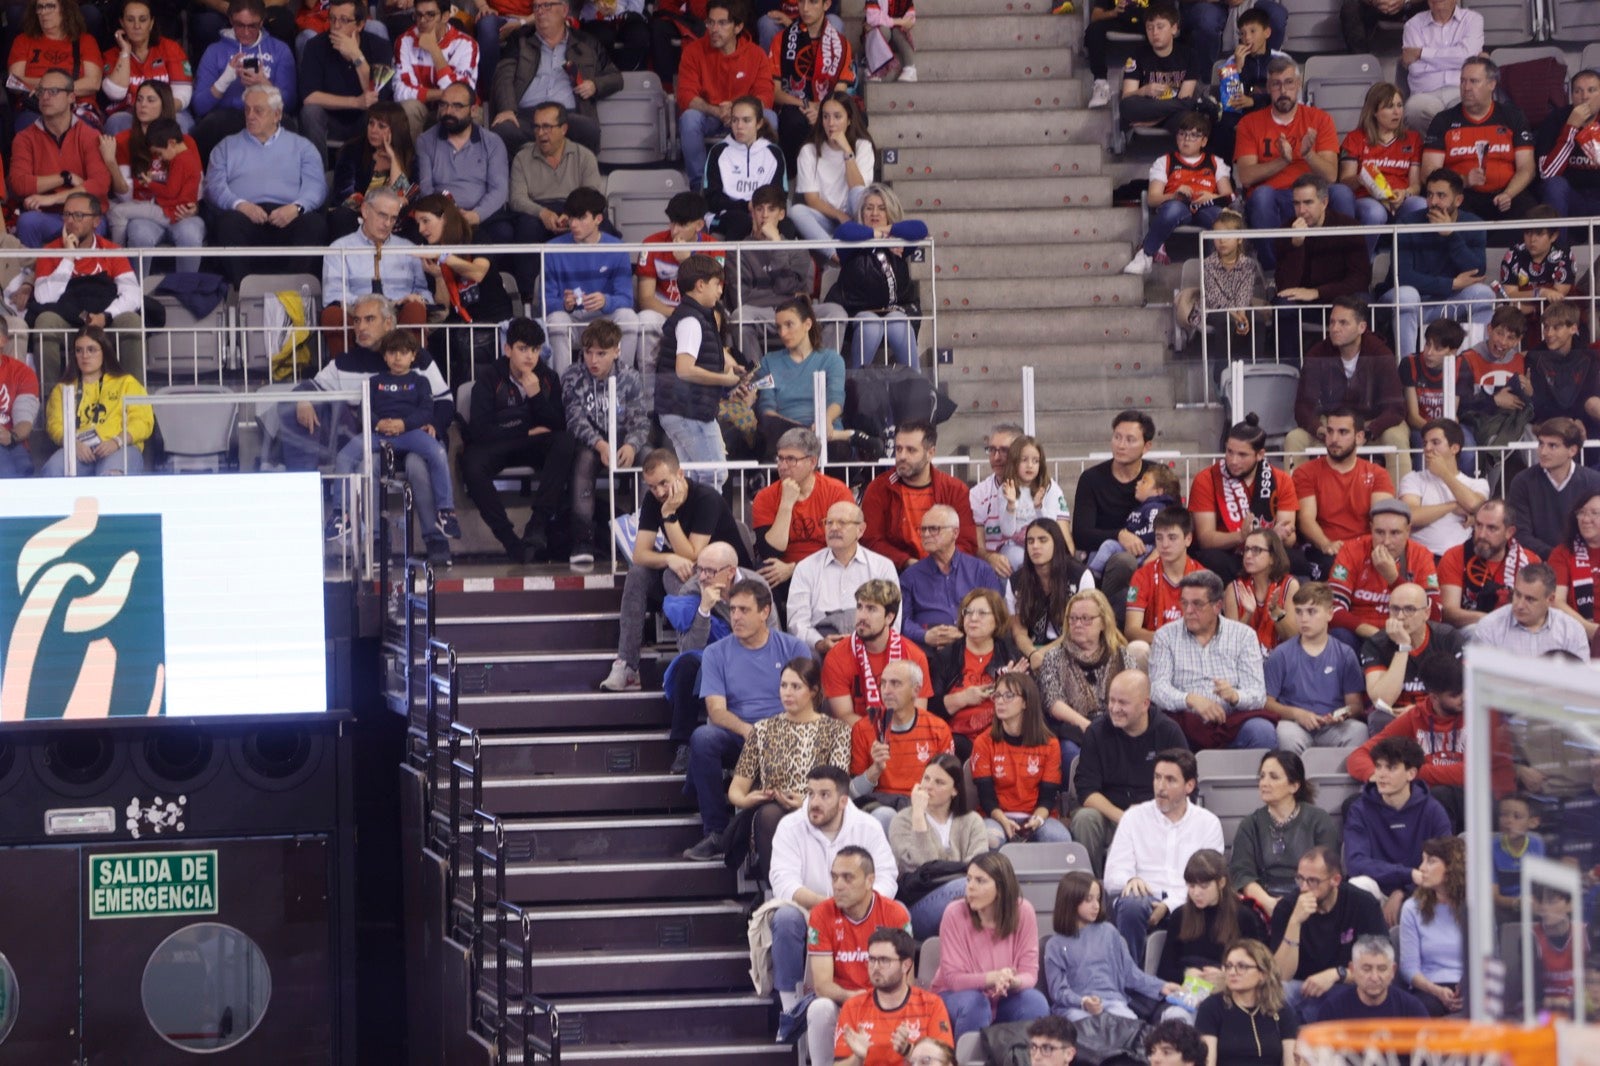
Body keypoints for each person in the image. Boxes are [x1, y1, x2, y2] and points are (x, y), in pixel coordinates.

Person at [600, 447, 754, 692]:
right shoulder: (653, 500)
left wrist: (670, 516)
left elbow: (694, 554)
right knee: (638, 574)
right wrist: (669, 557)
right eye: (651, 486)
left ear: (680, 474)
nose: (659, 492)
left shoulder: (706, 498)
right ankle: (627, 665)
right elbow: (640, 554)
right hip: (691, 577)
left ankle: (692, 656)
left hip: (727, 583)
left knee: (675, 573)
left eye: (663, 483)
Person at [680, 578, 812, 862]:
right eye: (733, 609)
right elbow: (716, 711)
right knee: (703, 738)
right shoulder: (717, 652)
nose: (736, 617)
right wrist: (748, 730)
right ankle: (715, 832)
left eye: (744, 610)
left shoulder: (793, 648)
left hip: (786, 736)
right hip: (738, 734)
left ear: (765, 612)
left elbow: (808, 703)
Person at [767, 765, 898, 1025]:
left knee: (895, 912)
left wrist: (860, 903)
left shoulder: (867, 826)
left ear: (843, 801)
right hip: (808, 909)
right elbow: (783, 883)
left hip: (861, 908)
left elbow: (886, 877)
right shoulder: (789, 826)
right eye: (810, 793)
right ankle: (792, 1011)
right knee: (784, 919)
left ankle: (884, 1001)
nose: (814, 802)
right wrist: (831, 905)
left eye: (824, 795)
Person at [459, 317, 580, 563]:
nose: (529, 356)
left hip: (531, 445)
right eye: (523, 348)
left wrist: (536, 395)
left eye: (535, 349)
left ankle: (538, 524)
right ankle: (510, 541)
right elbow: (480, 430)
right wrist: (524, 429)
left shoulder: (547, 378)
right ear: (508, 349)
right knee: (471, 462)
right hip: (499, 445)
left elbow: (558, 424)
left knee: (566, 442)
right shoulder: (489, 377)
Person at [328, 328, 461, 545]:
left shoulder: (420, 382)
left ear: (413, 356)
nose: (397, 358)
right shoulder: (373, 382)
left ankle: (446, 512)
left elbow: (427, 410)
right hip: (379, 433)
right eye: (392, 353)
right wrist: (378, 423)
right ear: (385, 356)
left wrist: (403, 424)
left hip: (410, 433)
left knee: (437, 451)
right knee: (344, 456)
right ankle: (341, 515)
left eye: (403, 352)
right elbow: (365, 408)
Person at [9, 190, 143, 402]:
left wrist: (105, 317)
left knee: (132, 321)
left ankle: (136, 404)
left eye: (78, 216)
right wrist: (68, 257)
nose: (71, 221)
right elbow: (44, 298)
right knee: (45, 321)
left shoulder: (111, 250)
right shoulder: (50, 251)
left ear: (96, 221)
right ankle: (52, 405)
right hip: (69, 324)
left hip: (103, 323)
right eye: (67, 215)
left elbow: (133, 294)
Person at [1104, 748, 1224, 966]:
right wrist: (1130, 880)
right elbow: (1112, 877)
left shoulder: (1208, 824)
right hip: (1144, 899)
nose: (1160, 787)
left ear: (1189, 786)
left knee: (1204, 905)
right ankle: (1130, 980)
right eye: (1157, 778)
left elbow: (1209, 880)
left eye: (1170, 780)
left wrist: (1169, 905)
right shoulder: (1134, 817)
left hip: (1188, 900)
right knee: (1131, 906)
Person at [201, 83, 328, 285]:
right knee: (227, 224)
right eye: (247, 109)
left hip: (288, 215)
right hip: (244, 215)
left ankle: (291, 291)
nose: (250, 116)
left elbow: (317, 187)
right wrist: (240, 204)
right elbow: (213, 187)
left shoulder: (303, 147)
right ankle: (243, 289)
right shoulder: (226, 146)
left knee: (314, 224)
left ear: (277, 115)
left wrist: (296, 208)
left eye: (258, 111)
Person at [796, 845, 913, 1064]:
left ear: (870, 881)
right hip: (840, 1002)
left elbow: (907, 980)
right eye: (834, 877)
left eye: (847, 878)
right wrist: (857, 999)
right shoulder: (821, 914)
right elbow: (822, 985)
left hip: (885, 1002)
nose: (837, 885)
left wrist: (875, 1002)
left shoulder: (894, 914)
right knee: (819, 1009)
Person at [1069, 669, 1189, 877]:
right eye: (1111, 701)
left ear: (1145, 704)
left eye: (1123, 703)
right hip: (1111, 814)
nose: (1114, 709)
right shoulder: (1097, 732)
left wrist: (1150, 814)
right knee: (1085, 819)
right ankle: (1091, 887)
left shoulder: (1168, 732)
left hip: (1157, 814)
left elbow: (1184, 787)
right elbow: (1087, 791)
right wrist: (1126, 818)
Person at [1231, 58, 1345, 269]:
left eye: (1289, 82)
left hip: (1313, 193)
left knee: (1341, 193)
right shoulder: (1250, 123)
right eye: (1276, 84)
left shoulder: (1320, 119)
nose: (1283, 90)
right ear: (1268, 88)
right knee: (1261, 196)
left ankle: (1338, 266)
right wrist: (1283, 160)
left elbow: (1330, 175)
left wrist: (1309, 154)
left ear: (1298, 84)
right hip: (1273, 196)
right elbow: (1246, 177)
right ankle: (1276, 272)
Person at [1285, 303, 1409, 485]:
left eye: (1343, 323)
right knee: (1294, 438)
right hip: (1332, 423)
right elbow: (1303, 406)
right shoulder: (1318, 353)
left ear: (1362, 327)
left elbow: (1395, 409)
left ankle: (1400, 506)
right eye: (1332, 322)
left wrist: (1369, 430)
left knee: (1396, 438)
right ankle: (1293, 506)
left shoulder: (1380, 353)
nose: (1335, 328)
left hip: (1374, 422)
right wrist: (1320, 430)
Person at [931, 851, 1050, 1040]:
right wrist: (994, 978)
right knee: (975, 1003)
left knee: (1035, 1002)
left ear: (1001, 888)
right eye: (969, 879)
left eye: (980, 881)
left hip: (1003, 996)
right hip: (957, 997)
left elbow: (1030, 972)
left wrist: (1012, 981)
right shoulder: (954, 913)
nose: (970, 887)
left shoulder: (1023, 911)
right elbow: (954, 980)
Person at [1149, 571, 1273, 752]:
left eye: (1197, 604)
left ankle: (1258, 781)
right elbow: (1157, 689)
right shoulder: (1165, 636)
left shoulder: (1244, 636)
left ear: (1217, 606)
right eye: (1184, 603)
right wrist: (1189, 699)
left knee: (1262, 732)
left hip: (1231, 720)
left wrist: (1234, 696)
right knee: (1162, 728)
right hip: (1185, 720)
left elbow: (1257, 694)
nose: (1189, 611)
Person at [559, 318, 648, 571]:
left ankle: (643, 535)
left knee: (649, 459)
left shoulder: (630, 377)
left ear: (617, 351)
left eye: (601, 353)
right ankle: (582, 539)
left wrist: (631, 445)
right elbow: (574, 419)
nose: (593, 360)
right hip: (590, 443)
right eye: (588, 352)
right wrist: (599, 444)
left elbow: (640, 419)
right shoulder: (572, 376)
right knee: (584, 462)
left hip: (622, 441)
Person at [652, 253, 744, 491]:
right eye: (717, 284)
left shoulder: (693, 317)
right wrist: (724, 379)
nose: (720, 291)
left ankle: (692, 525)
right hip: (688, 410)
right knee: (714, 476)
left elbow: (700, 360)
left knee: (692, 478)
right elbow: (684, 369)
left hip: (683, 408)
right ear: (700, 285)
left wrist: (730, 370)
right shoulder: (692, 321)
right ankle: (705, 527)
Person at [1267, 846, 1388, 1024]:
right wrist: (1295, 922)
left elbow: (1382, 967)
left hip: (1347, 986)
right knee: (1276, 994)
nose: (1304, 888)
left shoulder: (1362, 904)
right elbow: (1280, 977)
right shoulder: (1287, 907)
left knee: (1365, 994)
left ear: (1335, 880)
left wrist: (1337, 974)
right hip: (1301, 988)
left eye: (1313, 881)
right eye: (1300, 879)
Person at [1383, 168, 1494, 357]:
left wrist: (1451, 235)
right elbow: (1402, 276)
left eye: (1441, 196)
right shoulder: (1407, 223)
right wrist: (1451, 284)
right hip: (1408, 301)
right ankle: (1407, 369)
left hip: (1446, 302)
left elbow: (1477, 272)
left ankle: (1471, 364)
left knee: (1484, 294)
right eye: (1429, 195)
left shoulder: (1474, 223)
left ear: (1458, 200)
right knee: (1407, 295)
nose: (1433, 202)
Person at [487, 0, 621, 157]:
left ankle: (579, 181)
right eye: (536, 7)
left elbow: (616, 77)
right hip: (527, 117)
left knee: (588, 130)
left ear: (564, 11)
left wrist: (595, 85)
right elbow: (504, 75)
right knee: (503, 131)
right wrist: (507, 108)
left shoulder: (587, 42)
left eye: (547, 5)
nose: (540, 11)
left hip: (567, 117)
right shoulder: (520, 40)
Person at [1346, 677, 1468, 846]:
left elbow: (1477, 772)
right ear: (1434, 697)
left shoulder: (1480, 715)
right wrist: (1373, 774)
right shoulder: (1415, 717)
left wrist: (1412, 773)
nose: (1465, 698)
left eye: (1466, 691)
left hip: (1467, 795)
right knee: (1354, 803)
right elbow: (1359, 755)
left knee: (1440, 796)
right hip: (1418, 791)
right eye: (1455, 695)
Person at [1045, 869, 1179, 1022]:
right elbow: (1058, 991)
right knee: (1087, 1031)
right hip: (1074, 1009)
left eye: (1098, 898)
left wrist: (1162, 987)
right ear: (1070, 901)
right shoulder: (1055, 945)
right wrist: (1082, 1002)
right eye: (1089, 900)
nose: (1096, 905)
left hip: (1114, 1003)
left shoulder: (1109, 932)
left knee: (1130, 1027)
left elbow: (1131, 974)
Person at [1419, 57, 1537, 222]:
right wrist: (1464, 180)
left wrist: (1508, 194)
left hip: (1507, 195)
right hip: (1463, 197)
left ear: (1492, 84)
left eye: (1474, 81)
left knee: (1536, 218)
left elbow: (1527, 168)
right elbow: (1428, 174)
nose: (1466, 88)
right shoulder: (1443, 121)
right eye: (1462, 81)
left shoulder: (1513, 116)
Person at [540, 186, 642, 377]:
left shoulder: (617, 248)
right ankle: (564, 389)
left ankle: (622, 382)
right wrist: (564, 304)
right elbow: (545, 303)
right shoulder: (551, 249)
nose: (574, 224)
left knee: (629, 317)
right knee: (556, 320)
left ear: (598, 219)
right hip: (572, 320)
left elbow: (626, 298)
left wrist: (606, 301)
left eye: (581, 218)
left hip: (605, 319)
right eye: (571, 218)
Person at [412, 192, 517, 374]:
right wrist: (438, 276)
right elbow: (443, 307)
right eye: (418, 223)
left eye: (425, 221)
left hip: (491, 320)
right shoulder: (430, 252)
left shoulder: (475, 235)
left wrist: (444, 257)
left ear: (444, 217)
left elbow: (477, 273)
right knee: (435, 341)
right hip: (458, 325)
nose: (421, 229)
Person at [735, 198, 847, 368]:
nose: (764, 215)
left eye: (771, 209)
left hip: (796, 312)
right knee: (740, 316)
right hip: (762, 314)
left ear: (781, 214)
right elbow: (742, 297)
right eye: (759, 209)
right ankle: (757, 378)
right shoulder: (739, 249)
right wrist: (781, 297)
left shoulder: (798, 249)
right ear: (752, 213)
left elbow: (787, 287)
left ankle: (823, 372)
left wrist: (777, 245)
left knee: (836, 312)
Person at [1157, 849, 1268, 1019]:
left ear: (1221, 882)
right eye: (1191, 886)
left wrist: (1228, 979)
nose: (1196, 893)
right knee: (1176, 1016)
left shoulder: (1244, 917)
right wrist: (1186, 974)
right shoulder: (1180, 916)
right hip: (1188, 992)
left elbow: (1262, 969)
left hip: (1230, 993)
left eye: (1204, 886)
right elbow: (1164, 970)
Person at [677, 3, 776, 193]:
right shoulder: (693, 51)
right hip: (710, 114)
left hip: (743, 116)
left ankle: (760, 184)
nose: (714, 29)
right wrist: (715, 110)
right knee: (689, 118)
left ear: (738, 27)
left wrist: (738, 112)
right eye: (710, 23)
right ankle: (700, 187)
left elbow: (766, 96)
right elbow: (685, 95)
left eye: (722, 23)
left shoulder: (756, 55)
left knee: (770, 118)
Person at [9, 67, 112, 249]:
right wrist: (65, 177)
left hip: (82, 215)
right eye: (41, 91)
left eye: (54, 91)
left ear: (71, 97)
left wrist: (53, 198)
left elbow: (100, 184)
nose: (45, 97)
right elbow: (19, 183)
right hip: (44, 215)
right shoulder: (24, 137)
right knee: (27, 222)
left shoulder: (89, 135)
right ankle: (35, 276)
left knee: (92, 222)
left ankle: (85, 277)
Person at [507, 101, 603, 296]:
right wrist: (543, 213)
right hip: (536, 211)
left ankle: (596, 293)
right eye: (537, 127)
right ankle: (528, 299)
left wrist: (571, 215)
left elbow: (592, 195)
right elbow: (516, 199)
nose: (541, 133)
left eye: (547, 127)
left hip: (576, 207)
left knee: (603, 227)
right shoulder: (522, 158)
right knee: (526, 229)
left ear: (564, 129)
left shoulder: (584, 156)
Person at [322, 187, 431, 357]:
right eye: (382, 215)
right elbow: (332, 295)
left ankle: (411, 374)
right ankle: (345, 373)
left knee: (416, 308)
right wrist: (373, 306)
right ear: (365, 210)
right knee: (332, 315)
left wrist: (415, 298)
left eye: (393, 218)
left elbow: (424, 292)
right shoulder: (339, 248)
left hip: (397, 314)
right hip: (357, 315)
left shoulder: (409, 249)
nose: (387, 224)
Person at [1231, 750, 1341, 918]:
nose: (1264, 783)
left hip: (1310, 897)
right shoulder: (1250, 824)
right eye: (1262, 776)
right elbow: (1243, 874)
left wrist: (1299, 905)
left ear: (1294, 786)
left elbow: (1327, 871)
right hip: (1263, 900)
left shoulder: (1319, 820)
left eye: (1273, 777)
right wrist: (1268, 903)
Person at [1038, 589, 1138, 773]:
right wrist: (1087, 726)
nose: (1077, 624)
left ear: (1103, 622)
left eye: (1086, 619)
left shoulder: (1122, 656)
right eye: (1073, 618)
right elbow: (1053, 702)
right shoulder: (1054, 656)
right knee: (1070, 752)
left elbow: (1135, 695)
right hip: (1075, 729)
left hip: (1117, 725)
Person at [889, 753, 988, 938]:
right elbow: (920, 868)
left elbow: (981, 866)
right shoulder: (902, 821)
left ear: (955, 790)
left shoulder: (972, 821)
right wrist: (918, 816)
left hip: (966, 902)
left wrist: (943, 867)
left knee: (987, 886)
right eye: (926, 778)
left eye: (939, 782)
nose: (928, 787)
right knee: (964, 886)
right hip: (918, 905)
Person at [1292, 408, 1397, 582]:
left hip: (1367, 550)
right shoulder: (1306, 472)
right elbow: (1306, 519)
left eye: (1343, 432)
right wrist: (1326, 544)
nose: (1334, 439)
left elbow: (1381, 518)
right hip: (1323, 550)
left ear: (1359, 437)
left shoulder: (1378, 474)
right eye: (1330, 431)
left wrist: (1360, 549)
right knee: (1332, 565)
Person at [1189, 415, 1299, 582]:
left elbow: (1290, 538)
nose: (1233, 460)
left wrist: (1275, 537)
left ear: (1260, 454)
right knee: (1211, 559)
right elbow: (1205, 539)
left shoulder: (1281, 480)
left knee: (1298, 561)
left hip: (1267, 553)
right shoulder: (1206, 479)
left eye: (1242, 455)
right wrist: (1241, 537)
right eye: (1229, 452)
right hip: (1227, 554)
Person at [829, 183, 926, 369]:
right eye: (869, 208)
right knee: (870, 323)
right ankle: (858, 385)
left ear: (890, 212)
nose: (875, 213)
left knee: (897, 322)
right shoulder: (852, 241)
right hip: (856, 311)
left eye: (882, 209)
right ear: (862, 212)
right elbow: (842, 232)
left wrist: (888, 232)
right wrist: (875, 235)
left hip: (895, 309)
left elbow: (920, 228)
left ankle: (917, 383)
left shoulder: (899, 242)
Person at [750, 425, 853, 600]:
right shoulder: (765, 497)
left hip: (827, 568)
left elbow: (844, 547)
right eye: (780, 458)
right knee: (766, 572)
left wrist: (795, 568)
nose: (783, 466)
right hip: (780, 570)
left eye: (791, 459)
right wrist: (786, 504)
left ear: (812, 462)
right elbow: (770, 552)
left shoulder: (836, 492)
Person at [861, 420, 979, 571]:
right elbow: (871, 540)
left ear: (930, 453)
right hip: (897, 572)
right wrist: (906, 562)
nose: (902, 456)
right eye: (898, 449)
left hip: (946, 571)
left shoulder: (954, 489)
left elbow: (967, 541)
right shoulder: (879, 488)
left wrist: (940, 564)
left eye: (911, 450)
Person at [1074, 410, 1158, 622]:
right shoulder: (1092, 479)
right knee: (1123, 562)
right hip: (1105, 558)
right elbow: (1081, 534)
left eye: (1130, 440)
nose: (1121, 445)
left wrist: (1153, 558)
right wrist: (1119, 535)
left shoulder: (1157, 477)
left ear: (1147, 446)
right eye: (1117, 437)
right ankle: (1105, 620)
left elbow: (1175, 526)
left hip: (1151, 555)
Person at [845, 659, 949, 827]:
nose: (886, 691)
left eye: (895, 684)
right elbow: (853, 793)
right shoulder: (864, 728)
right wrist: (876, 769)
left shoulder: (938, 728)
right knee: (884, 816)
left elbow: (948, 784)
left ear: (915, 690)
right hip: (879, 804)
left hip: (923, 804)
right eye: (883, 684)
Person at [787, 501, 900, 655]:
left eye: (842, 523)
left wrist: (869, 644)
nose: (833, 528)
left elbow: (893, 619)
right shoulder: (806, 567)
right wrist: (819, 643)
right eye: (829, 522)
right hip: (820, 646)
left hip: (871, 644)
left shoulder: (882, 566)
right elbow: (797, 622)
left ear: (860, 530)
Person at [190, 0, 298, 162]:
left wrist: (264, 84)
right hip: (225, 117)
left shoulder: (280, 49)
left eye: (252, 26)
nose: (246, 32)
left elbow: (289, 104)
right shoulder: (215, 51)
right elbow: (199, 106)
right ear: (231, 21)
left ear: (262, 22)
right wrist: (225, 80)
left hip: (266, 114)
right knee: (208, 126)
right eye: (240, 25)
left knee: (288, 126)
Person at [1264, 584, 1367, 754]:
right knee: (1284, 734)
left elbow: (1355, 705)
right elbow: (1267, 703)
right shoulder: (1281, 654)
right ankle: (1295, 780)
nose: (1303, 619)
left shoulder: (1345, 653)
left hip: (1333, 726)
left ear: (1329, 613)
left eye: (1311, 612)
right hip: (1294, 725)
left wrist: (1342, 714)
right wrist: (1297, 714)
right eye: (1298, 612)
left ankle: (1340, 781)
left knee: (1358, 731)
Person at [973, 672, 1070, 848]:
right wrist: (1003, 820)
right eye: (997, 695)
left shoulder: (1050, 744)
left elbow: (1048, 798)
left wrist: (1038, 819)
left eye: (1009, 696)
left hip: (1036, 816)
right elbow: (986, 798)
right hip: (997, 816)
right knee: (990, 838)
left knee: (1059, 838)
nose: (1000, 701)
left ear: (1026, 702)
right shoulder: (983, 741)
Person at [1327, 499, 1441, 649]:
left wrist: (1393, 579)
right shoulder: (1351, 550)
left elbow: (1434, 616)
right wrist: (1376, 634)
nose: (1386, 541)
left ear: (1408, 531)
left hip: (1405, 635)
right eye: (1380, 532)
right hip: (1361, 634)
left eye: (1395, 533)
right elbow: (1332, 609)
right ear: (1371, 528)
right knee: (1339, 635)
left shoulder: (1421, 555)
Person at [833, 927, 954, 1066]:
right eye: (871, 959)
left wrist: (909, 1051)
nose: (875, 967)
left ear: (906, 965)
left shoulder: (932, 1005)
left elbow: (946, 1062)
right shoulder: (853, 1007)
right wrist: (858, 1058)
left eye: (884, 960)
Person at [927, 587, 1024, 760]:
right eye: (968, 612)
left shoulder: (1010, 654)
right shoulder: (946, 657)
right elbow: (931, 710)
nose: (973, 618)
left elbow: (1030, 704)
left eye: (982, 613)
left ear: (997, 619)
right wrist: (962, 698)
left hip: (999, 733)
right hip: (958, 739)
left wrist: (1015, 686)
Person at [1269, 174, 1368, 342]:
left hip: (1340, 298)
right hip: (1304, 303)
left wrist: (1317, 292)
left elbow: (1360, 279)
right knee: (1283, 304)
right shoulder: (1286, 229)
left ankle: (1360, 365)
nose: (1301, 210)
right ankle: (1289, 366)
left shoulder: (1347, 226)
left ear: (1324, 203)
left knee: (1364, 301)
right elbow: (1285, 286)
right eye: (1296, 203)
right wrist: (1296, 245)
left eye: (1308, 202)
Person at [41, 325, 150, 476]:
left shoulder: (127, 383)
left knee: (111, 475)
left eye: (91, 349)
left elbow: (142, 422)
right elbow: (55, 425)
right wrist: (73, 444)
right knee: (52, 470)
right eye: (79, 350)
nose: (85, 355)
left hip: (119, 447)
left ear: (104, 352)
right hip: (78, 449)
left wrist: (117, 441)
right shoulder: (62, 388)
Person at [415, 81, 511, 247]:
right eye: (443, 105)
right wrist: (446, 217)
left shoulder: (492, 142)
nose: (448, 112)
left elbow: (499, 189)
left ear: (473, 110)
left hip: (481, 216)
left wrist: (476, 215)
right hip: (440, 216)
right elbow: (426, 188)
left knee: (504, 233)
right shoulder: (426, 140)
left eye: (457, 106)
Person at [824, 579, 933, 724]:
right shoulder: (837, 656)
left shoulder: (914, 656)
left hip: (903, 737)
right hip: (856, 737)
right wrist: (880, 735)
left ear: (889, 617)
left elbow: (918, 715)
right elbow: (844, 716)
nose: (862, 616)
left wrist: (895, 737)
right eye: (859, 607)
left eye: (871, 609)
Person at [103, 117, 203, 272]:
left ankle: (117, 261)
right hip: (170, 208)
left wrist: (149, 183)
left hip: (169, 211)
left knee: (116, 212)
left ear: (171, 143)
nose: (160, 158)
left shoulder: (181, 161)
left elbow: (170, 191)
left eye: (160, 154)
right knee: (117, 211)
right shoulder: (186, 157)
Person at [751, 296, 848, 457]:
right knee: (768, 426)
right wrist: (801, 431)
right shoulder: (769, 361)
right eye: (779, 327)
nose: (782, 333)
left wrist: (825, 420)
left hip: (823, 431)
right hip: (784, 433)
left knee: (834, 447)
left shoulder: (832, 359)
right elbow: (767, 408)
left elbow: (836, 399)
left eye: (789, 325)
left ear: (807, 324)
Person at [900, 505, 1006, 649]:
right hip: (928, 650)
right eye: (923, 529)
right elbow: (901, 620)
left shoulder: (981, 571)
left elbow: (998, 613)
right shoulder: (910, 576)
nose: (926, 534)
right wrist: (925, 635)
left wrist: (967, 634)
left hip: (974, 647)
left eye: (934, 529)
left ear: (955, 533)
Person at [296, 0, 391, 159]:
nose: (336, 26)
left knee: (377, 114)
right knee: (310, 112)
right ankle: (318, 174)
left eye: (344, 20)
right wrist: (355, 102)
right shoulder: (315, 45)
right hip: (330, 118)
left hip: (365, 119)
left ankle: (370, 172)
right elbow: (310, 97)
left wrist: (356, 56)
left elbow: (377, 96)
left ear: (360, 25)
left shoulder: (379, 45)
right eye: (332, 18)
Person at [769, 0, 854, 172]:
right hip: (795, 105)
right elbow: (775, 92)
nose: (805, 8)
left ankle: (844, 175)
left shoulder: (842, 44)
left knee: (856, 118)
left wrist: (822, 110)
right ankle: (792, 180)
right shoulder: (781, 39)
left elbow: (840, 92)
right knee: (793, 121)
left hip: (827, 106)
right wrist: (807, 105)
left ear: (827, 4)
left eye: (813, 2)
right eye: (801, 2)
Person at [1358, 581, 1463, 720]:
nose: (1400, 616)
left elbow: (1464, 692)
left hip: (1437, 713)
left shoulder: (1448, 638)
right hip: (1396, 717)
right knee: (1378, 718)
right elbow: (1382, 700)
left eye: (1409, 609)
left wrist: (1420, 710)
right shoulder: (1376, 644)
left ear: (1426, 613)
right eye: (1395, 609)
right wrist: (1403, 647)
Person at [786, 91, 872, 244]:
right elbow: (812, 199)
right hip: (826, 216)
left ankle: (855, 239)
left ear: (849, 119)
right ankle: (835, 255)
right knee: (795, 211)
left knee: (859, 193)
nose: (831, 123)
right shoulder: (809, 150)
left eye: (837, 117)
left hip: (856, 215)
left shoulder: (863, 146)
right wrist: (839, 215)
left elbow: (858, 190)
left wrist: (847, 150)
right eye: (825, 117)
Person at [1338, 82, 1426, 231]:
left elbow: (1416, 185)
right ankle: (1365, 254)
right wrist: (1362, 178)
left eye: (1399, 105)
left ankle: (1404, 254)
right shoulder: (1355, 138)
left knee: (1420, 205)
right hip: (1366, 199)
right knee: (1374, 212)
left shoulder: (1413, 138)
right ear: (1374, 111)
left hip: (1400, 200)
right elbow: (1345, 182)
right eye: (1390, 107)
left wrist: (1405, 193)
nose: (1397, 112)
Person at [1183, 210, 1268, 363]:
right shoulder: (1207, 264)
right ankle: (1221, 372)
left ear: (1239, 238)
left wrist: (1241, 314)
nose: (1221, 240)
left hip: (1238, 308)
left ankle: (1256, 367)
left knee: (1257, 320)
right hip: (1211, 310)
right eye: (1216, 235)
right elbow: (1214, 298)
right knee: (1225, 319)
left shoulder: (1248, 265)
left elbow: (1244, 293)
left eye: (1227, 235)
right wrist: (1236, 316)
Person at [1197, 939, 1299, 1066]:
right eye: (1228, 966)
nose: (1232, 972)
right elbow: (1207, 1062)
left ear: (1263, 973)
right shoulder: (1211, 1007)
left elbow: (1291, 1062)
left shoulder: (1280, 1010)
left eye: (1242, 966)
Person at [1509, 418, 1600, 560]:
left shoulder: (1594, 482)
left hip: (1585, 561)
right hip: (1537, 563)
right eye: (1541, 444)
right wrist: (1558, 558)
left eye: (1552, 446)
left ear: (1572, 450)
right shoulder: (1522, 481)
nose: (1543, 452)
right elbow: (1521, 534)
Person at [100, 0, 195, 135]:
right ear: (122, 23)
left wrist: (156, 113)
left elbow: (182, 95)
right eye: (130, 20)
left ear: (151, 23)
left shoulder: (170, 48)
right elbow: (116, 94)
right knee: (116, 122)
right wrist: (125, 52)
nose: (137, 26)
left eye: (143, 20)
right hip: (129, 114)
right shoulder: (112, 55)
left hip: (167, 111)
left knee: (181, 122)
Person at [1398, 418, 1487, 559]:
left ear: (1454, 448)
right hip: (1421, 558)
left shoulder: (1477, 484)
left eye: (1435, 442)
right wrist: (1453, 506)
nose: (1427, 448)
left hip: (1461, 558)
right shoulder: (1413, 479)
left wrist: (1444, 473)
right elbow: (1410, 516)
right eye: (1425, 443)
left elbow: (1474, 505)